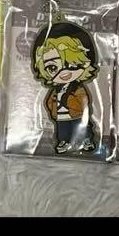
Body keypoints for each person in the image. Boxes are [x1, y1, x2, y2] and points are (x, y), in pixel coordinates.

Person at [32, 23, 98, 153]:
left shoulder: (77, 89)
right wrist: (53, 111)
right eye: (52, 68)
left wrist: (76, 107)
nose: (64, 72)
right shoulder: (55, 91)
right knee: (63, 131)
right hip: (61, 116)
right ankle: (64, 141)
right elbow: (50, 101)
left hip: (77, 115)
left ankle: (86, 140)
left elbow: (84, 100)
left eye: (73, 65)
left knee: (82, 127)